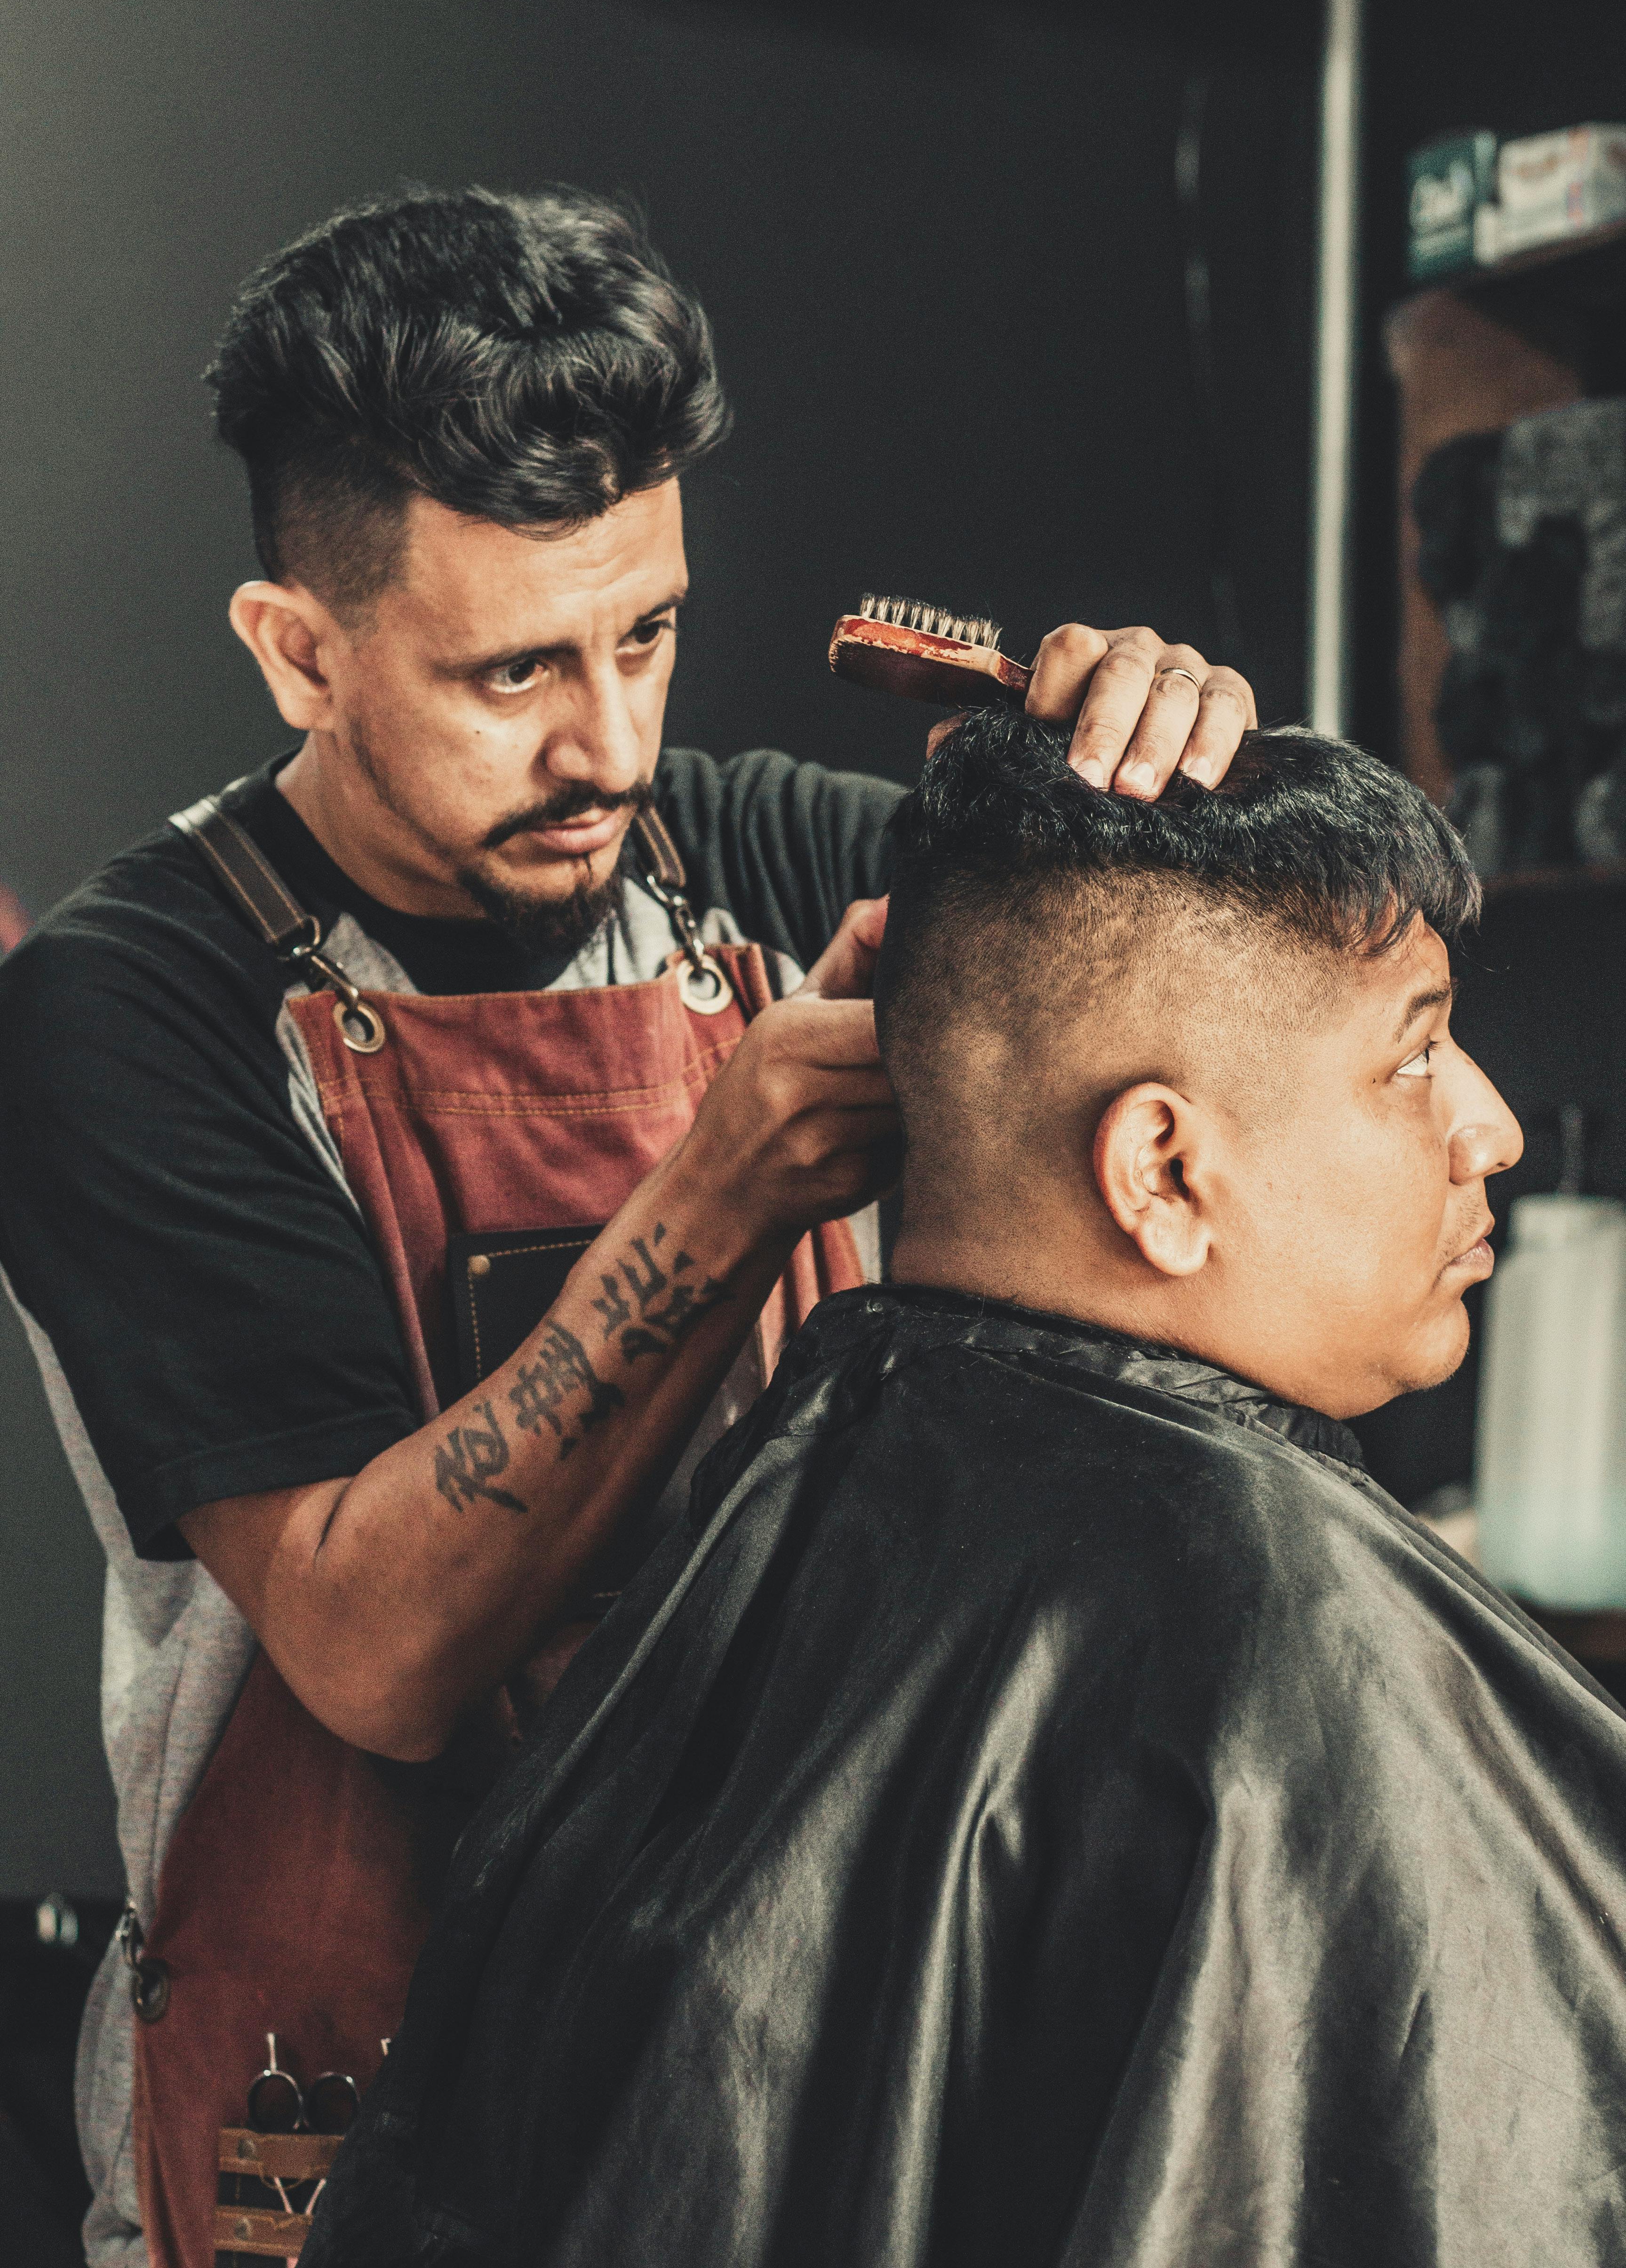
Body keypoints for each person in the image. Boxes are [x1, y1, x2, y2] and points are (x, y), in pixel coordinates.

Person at [0, 187, 1257, 2268]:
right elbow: (373, 1647)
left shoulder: (759, 855)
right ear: (297, 650)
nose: (610, 743)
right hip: (346, 2114)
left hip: (783, 2066)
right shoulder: (134, 1011)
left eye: (645, 632)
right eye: (512, 672)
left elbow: (1238, 1059)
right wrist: (732, 1180)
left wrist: (1154, 807)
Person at [305, 711, 1626, 2268]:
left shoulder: (769, 1538)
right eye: (1414, 1054)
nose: (1494, 1125)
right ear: (1163, 1174)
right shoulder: (1297, 1650)